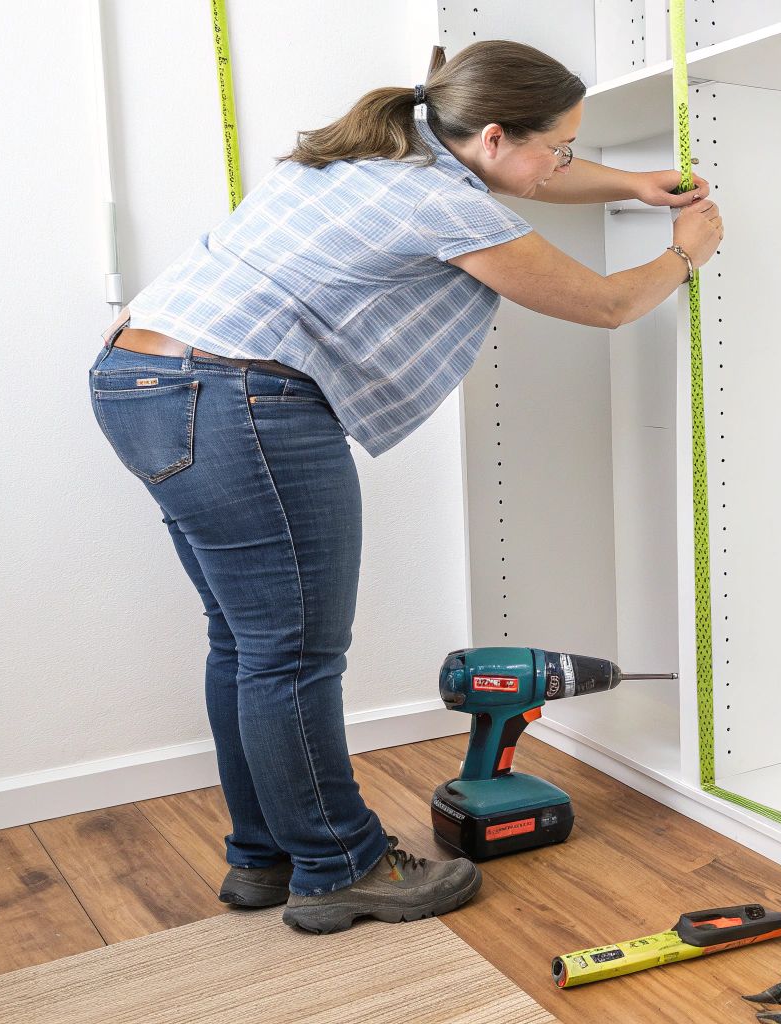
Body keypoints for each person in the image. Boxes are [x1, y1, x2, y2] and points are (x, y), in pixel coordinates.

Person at [86, 40, 721, 934]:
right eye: (564, 146)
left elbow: (526, 176)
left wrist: (629, 184)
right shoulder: (436, 202)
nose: (567, 163)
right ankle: (341, 866)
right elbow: (605, 302)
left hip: (145, 382)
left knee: (247, 645)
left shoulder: (371, 155)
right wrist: (686, 253)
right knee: (295, 655)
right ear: (494, 136)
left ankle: (265, 859)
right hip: (238, 402)